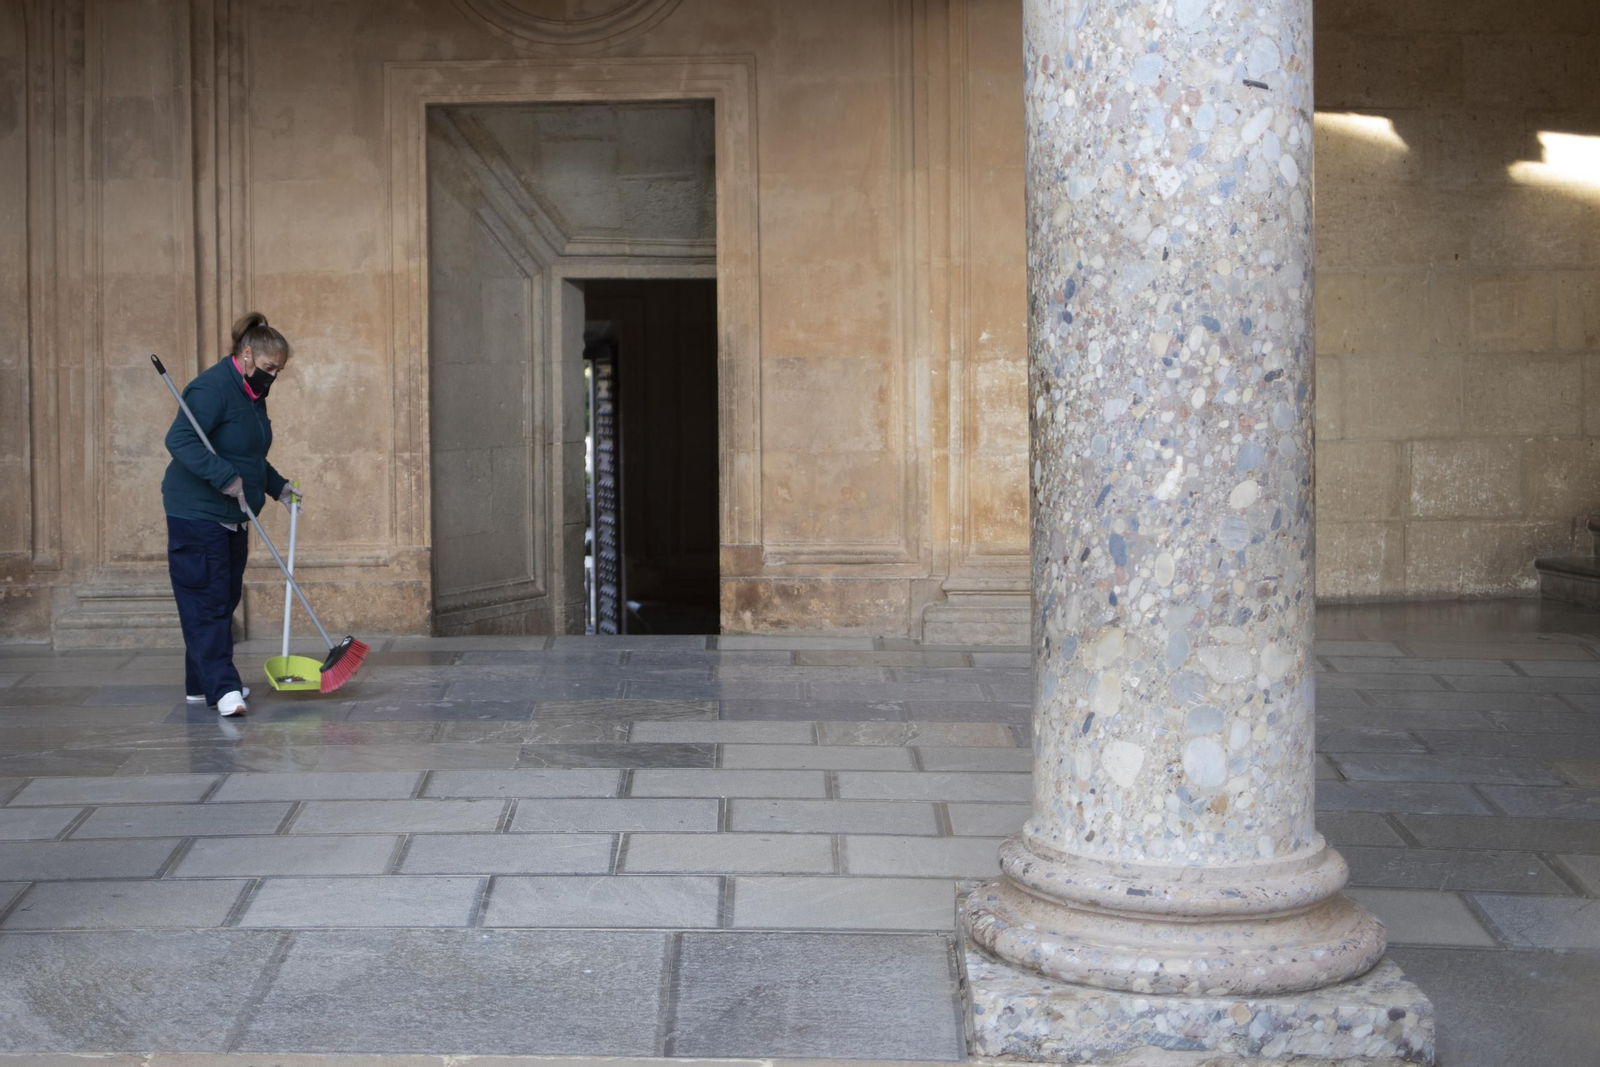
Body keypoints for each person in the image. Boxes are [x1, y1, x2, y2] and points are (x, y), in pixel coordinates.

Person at [161, 312, 303, 716]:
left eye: (278, 370)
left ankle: (199, 682)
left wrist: (278, 487)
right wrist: (225, 478)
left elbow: (248, 453)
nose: (272, 376)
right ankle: (223, 688)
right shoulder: (212, 388)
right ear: (245, 355)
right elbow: (180, 440)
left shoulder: (252, 396)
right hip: (198, 511)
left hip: (234, 512)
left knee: (222, 597)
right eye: (268, 367)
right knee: (206, 598)